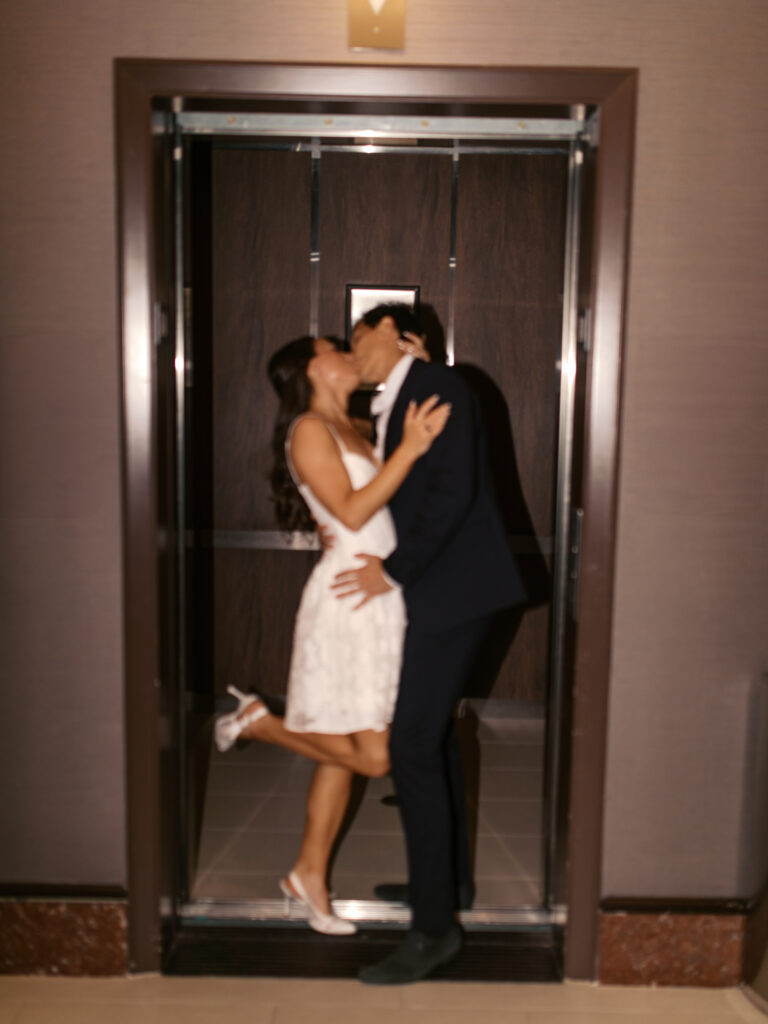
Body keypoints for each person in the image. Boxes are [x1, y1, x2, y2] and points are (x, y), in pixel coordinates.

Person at [213, 334, 449, 937]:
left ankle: (308, 875)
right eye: (334, 347)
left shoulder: (356, 424)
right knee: (373, 757)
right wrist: (411, 451)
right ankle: (262, 723)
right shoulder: (308, 430)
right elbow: (349, 511)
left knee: (339, 755)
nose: (348, 351)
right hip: (349, 602)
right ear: (310, 368)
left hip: (376, 593)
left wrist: (417, 369)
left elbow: (389, 500)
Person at [332, 304, 526, 985]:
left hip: (450, 594)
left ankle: (435, 931)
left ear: (393, 331)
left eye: (358, 334)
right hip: (440, 594)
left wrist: (393, 571)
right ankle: (447, 890)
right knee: (433, 740)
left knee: (411, 743)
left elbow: (450, 491)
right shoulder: (400, 397)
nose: (353, 349)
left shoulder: (437, 386)